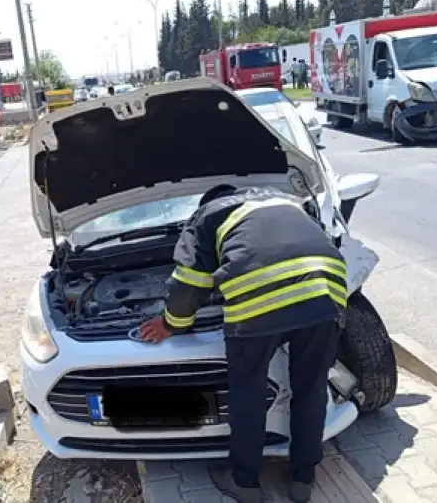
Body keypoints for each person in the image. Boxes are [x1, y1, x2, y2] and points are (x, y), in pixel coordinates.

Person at [139, 184, 346, 503]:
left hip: (258, 301)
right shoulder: (286, 201)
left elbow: (189, 283)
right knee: (311, 388)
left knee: (248, 391)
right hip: (325, 292)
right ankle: (303, 479)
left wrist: (171, 323)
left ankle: (245, 482)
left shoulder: (206, 215)